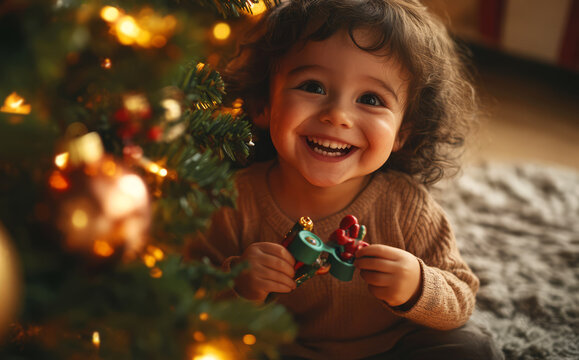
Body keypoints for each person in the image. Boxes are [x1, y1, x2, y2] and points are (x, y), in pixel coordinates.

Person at [187, 0, 503, 358]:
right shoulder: (233, 198)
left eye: (370, 98)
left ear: (403, 133)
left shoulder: (406, 205)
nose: (337, 116)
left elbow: (461, 296)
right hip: (284, 349)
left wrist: (417, 285)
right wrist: (237, 282)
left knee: (472, 347)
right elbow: (185, 290)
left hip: (392, 347)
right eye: (313, 87)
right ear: (263, 104)